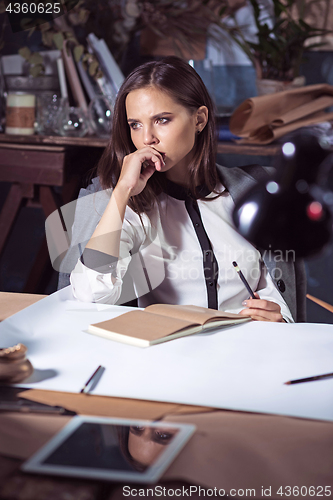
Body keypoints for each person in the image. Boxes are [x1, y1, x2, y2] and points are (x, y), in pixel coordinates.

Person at [69, 56, 306, 322]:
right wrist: (122, 191)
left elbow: (276, 288)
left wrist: (278, 314)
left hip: (246, 351)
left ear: (200, 119)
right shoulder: (133, 209)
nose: (147, 138)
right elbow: (91, 294)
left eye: (162, 120)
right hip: (166, 354)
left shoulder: (250, 193)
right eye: (135, 124)